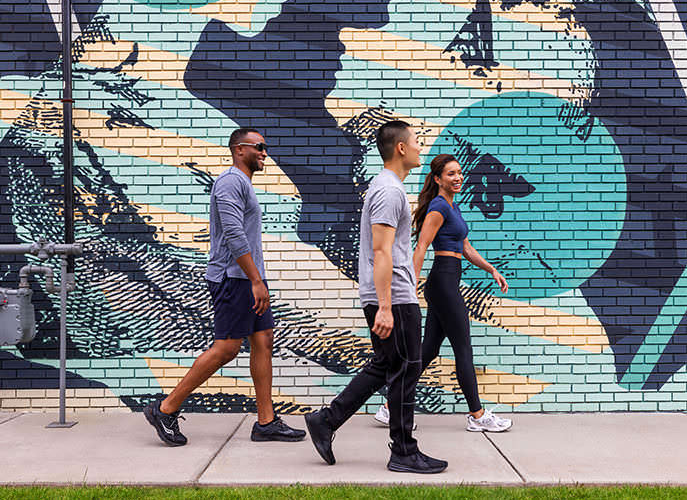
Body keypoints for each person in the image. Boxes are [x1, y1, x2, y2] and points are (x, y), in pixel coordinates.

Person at [144, 128, 306, 446]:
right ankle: (165, 409)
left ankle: (266, 422)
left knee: (263, 341)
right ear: (238, 149)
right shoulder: (231, 182)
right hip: (234, 278)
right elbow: (233, 234)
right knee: (227, 349)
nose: (264, 152)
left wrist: (257, 278)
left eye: (265, 146)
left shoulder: (243, 184)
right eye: (258, 146)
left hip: (248, 278)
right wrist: (256, 280)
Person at [303, 121, 447, 474]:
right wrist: (385, 306)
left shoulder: (390, 188)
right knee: (406, 370)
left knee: (387, 365)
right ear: (400, 148)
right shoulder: (388, 190)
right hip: (393, 297)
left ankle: (326, 420)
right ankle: (403, 451)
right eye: (415, 141)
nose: (419, 146)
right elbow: (381, 252)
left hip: (394, 295)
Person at [374, 154, 512, 432]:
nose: (458, 177)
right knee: (463, 347)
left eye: (459, 173)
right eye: (451, 174)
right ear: (438, 179)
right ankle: (477, 415)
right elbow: (422, 246)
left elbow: (466, 247)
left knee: (428, 350)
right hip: (443, 283)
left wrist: (491, 269)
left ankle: (390, 406)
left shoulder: (453, 206)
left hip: (448, 281)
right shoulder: (438, 207)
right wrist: (410, 285)